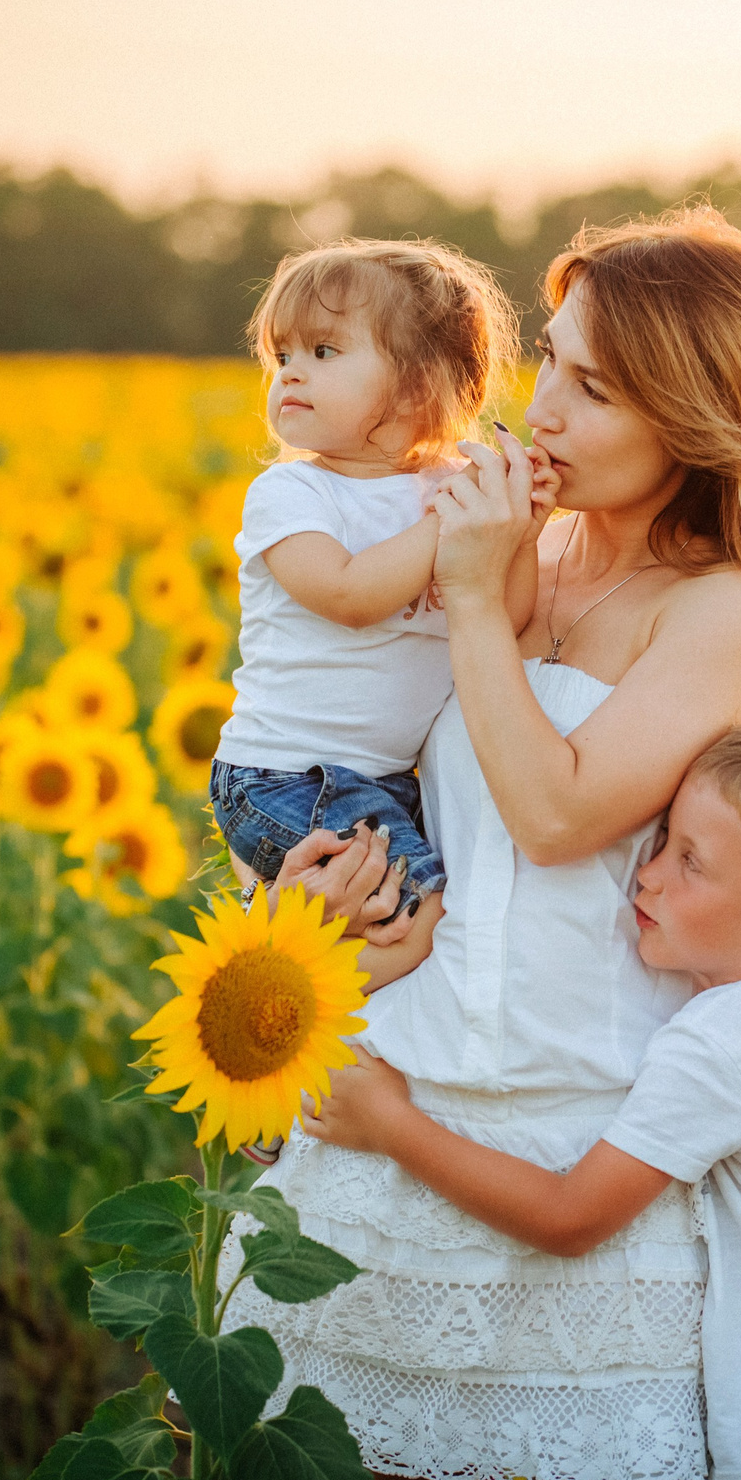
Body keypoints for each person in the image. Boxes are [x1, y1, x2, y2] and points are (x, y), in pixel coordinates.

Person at [234, 208, 741, 1480]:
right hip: (403, 1087)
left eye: (595, 388)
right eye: (551, 361)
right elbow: (372, 760)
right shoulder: (527, 545)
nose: (543, 410)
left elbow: (554, 814)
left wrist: (473, 595)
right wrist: (310, 883)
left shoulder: (729, 607)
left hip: (594, 1125)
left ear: (696, 416)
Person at [306, 722, 741, 1480]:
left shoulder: (722, 1037)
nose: (650, 873)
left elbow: (570, 1217)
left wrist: (390, 1124)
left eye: (691, 861)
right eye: (662, 840)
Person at [205, 239, 544, 989]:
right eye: (282, 355)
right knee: (424, 914)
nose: (291, 372)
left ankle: (289, 966)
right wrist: (451, 522)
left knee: (415, 909)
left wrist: (520, 530)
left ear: (420, 387)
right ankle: (270, 988)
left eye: (323, 351)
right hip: (283, 774)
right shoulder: (291, 494)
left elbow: (505, 616)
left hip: (379, 779)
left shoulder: (446, 487)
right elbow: (350, 596)